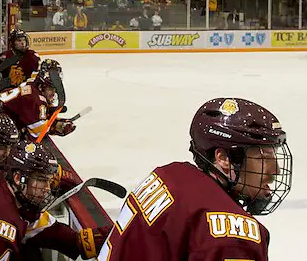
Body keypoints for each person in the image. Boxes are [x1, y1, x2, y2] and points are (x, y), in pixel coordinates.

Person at [100, 98, 293, 261]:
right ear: (223, 159)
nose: (274, 170)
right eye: (263, 158)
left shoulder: (170, 175)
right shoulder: (233, 239)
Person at [1, 59, 77, 140]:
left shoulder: (34, 81)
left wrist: (49, 112)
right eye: (51, 88)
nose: (53, 93)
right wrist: (58, 127)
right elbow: (38, 134)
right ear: (43, 85)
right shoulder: (37, 102)